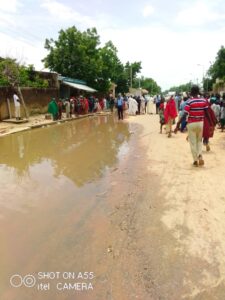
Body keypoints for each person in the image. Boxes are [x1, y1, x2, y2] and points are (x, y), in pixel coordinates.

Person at [174, 85, 209, 167]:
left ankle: (195, 160)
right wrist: (211, 122)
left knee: (193, 142)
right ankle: (200, 155)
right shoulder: (203, 101)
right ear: (198, 91)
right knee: (199, 141)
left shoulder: (189, 102)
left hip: (191, 123)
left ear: (192, 92)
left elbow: (184, 114)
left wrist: (178, 124)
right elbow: (207, 113)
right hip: (201, 123)